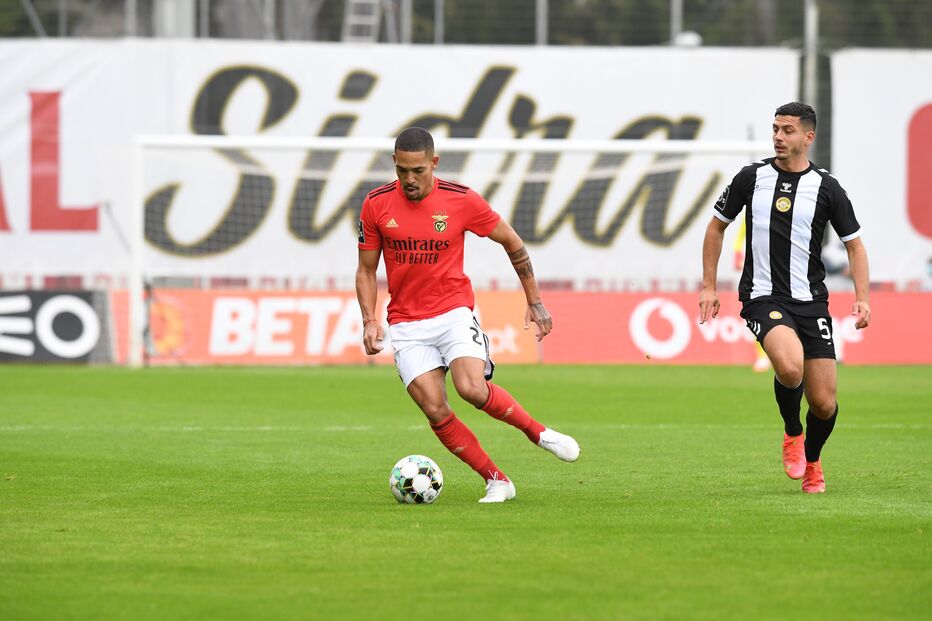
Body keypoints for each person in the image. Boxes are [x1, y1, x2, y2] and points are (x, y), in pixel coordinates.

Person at [356, 127, 580, 503]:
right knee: (434, 406)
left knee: (471, 389)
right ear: (394, 164)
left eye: (419, 171)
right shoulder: (376, 204)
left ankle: (539, 433)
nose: (410, 180)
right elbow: (365, 269)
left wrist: (535, 300)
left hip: (453, 312)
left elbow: (512, 242)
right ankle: (497, 480)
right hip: (407, 323)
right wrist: (369, 319)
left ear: (434, 164)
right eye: (402, 171)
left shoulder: (461, 200)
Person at [699, 102, 871, 493]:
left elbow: (855, 247)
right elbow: (715, 229)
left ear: (808, 137)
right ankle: (792, 432)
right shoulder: (751, 178)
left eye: (788, 130)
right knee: (791, 368)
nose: (778, 136)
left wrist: (862, 298)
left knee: (825, 403)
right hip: (763, 296)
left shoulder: (827, 188)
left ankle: (813, 460)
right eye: (775, 128)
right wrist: (709, 285)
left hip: (811, 301)